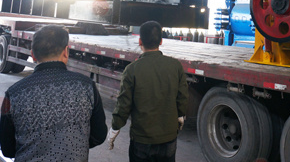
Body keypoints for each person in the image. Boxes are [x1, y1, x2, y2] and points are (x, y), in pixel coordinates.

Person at [0, 25, 107, 161]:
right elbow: (99, 135)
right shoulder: (87, 86)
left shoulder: (13, 93)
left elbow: (7, 148)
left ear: (33, 55)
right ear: (66, 52)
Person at [109, 20, 189, 162]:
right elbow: (182, 97)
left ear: (140, 41)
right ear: (161, 41)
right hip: (168, 138)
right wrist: (180, 115)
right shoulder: (175, 66)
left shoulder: (132, 70)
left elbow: (123, 104)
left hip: (142, 140)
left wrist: (115, 127)